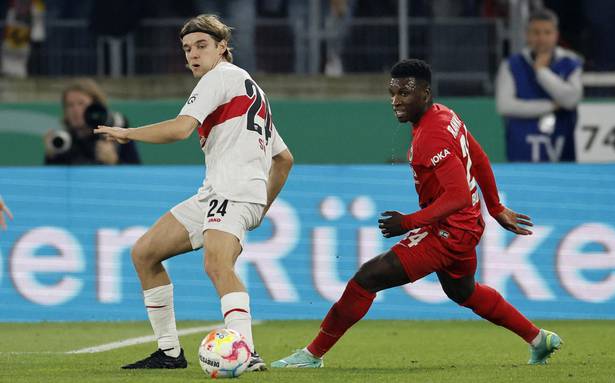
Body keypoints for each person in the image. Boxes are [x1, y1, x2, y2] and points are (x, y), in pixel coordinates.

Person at [271, 59, 561, 369]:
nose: (396, 101)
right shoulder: (445, 115)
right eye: (392, 93)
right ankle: (537, 338)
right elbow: (478, 157)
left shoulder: (430, 136)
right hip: (467, 224)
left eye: (405, 93)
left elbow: (458, 196)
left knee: (366, 278)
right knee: (463, 291)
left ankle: (312, 355)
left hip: (449, 230)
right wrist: (495, 207)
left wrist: (407, 223)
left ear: (425, 93)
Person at [95, 14, 293, 371]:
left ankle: (245, 351)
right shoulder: (248, 88)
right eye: (187, 49)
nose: (193, 55)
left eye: (201, 46)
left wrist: (127, 134)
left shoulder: (220, 77)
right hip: (218, 192)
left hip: (232, 189)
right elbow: (284, 160)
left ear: (222, 47)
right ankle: (170, 352)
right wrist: (261, 207)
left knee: (217, 264)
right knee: (144, 253)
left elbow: (180, 129)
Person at [495, 8, 583, 162]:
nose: (541, 38)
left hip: (562, 147)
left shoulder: (571, 62)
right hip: (521, 150)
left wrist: (541, 71)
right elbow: (505, 105)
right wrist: (551, 105)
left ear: (556, 35)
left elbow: (571, 99)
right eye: (536, 32)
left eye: (547, 32)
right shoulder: (511, 64)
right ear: (527, 35)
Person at [44, 79, 141, 165]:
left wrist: (114, 161)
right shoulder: (63, 140)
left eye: (81, 103)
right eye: (70, 105)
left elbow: (137, 173)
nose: (75, 110)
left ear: (95, 106)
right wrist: (51, 156)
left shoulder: (117, 132)